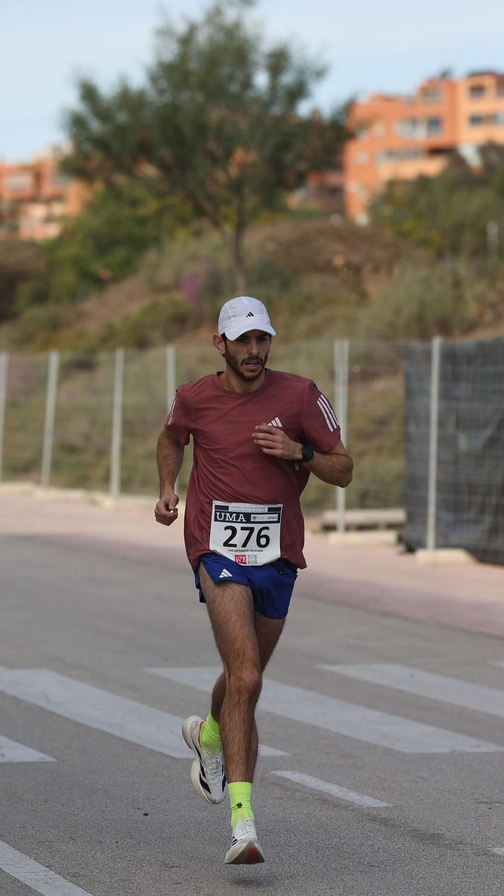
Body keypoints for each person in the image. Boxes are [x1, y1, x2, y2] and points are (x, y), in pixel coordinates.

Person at [156, 296, 353, 865]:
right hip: (215, 547)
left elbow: (343, 468)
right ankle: (243, 824)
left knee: (246, 678)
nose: (253, 351)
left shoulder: (299, 395)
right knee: (245, 674)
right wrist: (169, 489)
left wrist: (300, 451)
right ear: (220, 344)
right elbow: (171, 437)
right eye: (241, 341)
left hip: (278, 553)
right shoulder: (194, 396)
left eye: (261, 339)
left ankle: (211, 735)